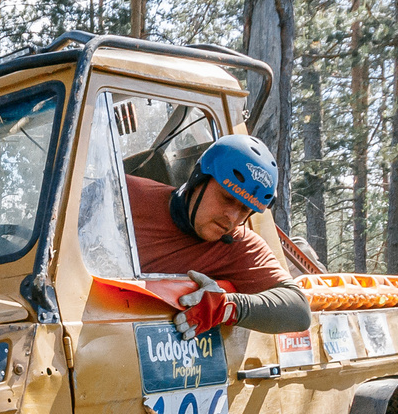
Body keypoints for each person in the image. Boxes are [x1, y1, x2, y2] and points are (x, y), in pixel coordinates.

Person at [127, 134, 314, 338]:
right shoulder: (127, 195)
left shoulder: (239, 245)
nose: (232, 217)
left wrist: (227, 307)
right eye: (227, 198)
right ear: (198, 179)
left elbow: (299, 310)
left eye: (244, 209)